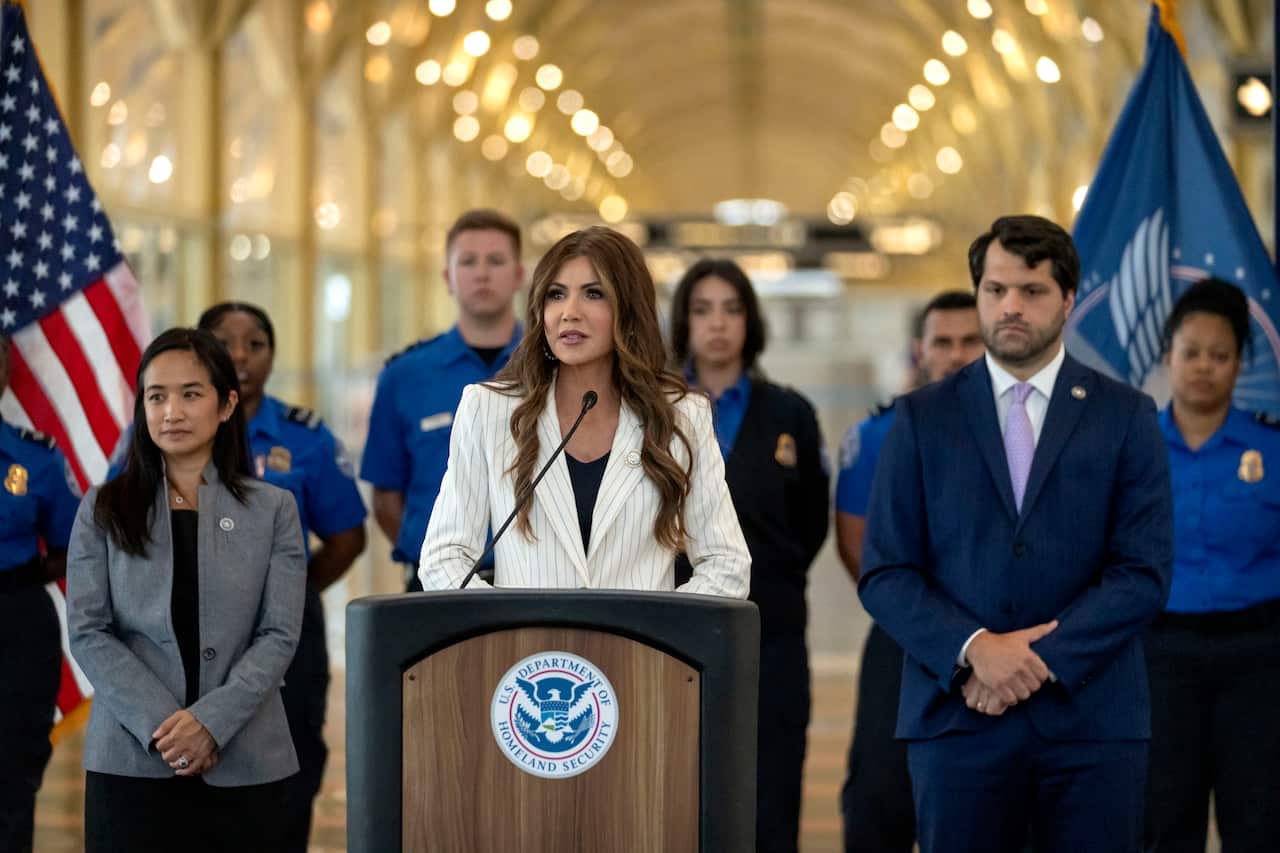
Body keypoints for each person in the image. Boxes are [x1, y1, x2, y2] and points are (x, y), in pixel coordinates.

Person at [858, 215, 1173, 853]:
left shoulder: (1127, 416)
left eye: (1030, 291)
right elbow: (887, 572)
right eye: (995, 290)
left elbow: (1142, 572)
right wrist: (975, 648)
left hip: (1092, 723)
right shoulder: (920, 420)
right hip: (958, 719)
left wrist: (1031, 662)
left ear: (1068, 299)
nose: (1010, 307)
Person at [66, 328, 306, 853]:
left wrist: (211, 723)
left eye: (190, 394)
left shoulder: (273, 510)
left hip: (246, 761)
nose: (171, 410)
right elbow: (88, 630)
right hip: (131, 761)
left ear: (226, 405)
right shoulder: (103, 507)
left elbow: (279, 634)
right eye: (157, 396)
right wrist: (168, 728)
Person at [419, 226, 750, 597]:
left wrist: (660, 635)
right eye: (556, 295)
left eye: (593, 294)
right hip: (525, 652)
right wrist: (509, 630)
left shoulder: (682, 415)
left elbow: (727, 563)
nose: (569, 313)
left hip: (641, 653)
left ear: (628, 308)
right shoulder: (487, 409)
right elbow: (443, 559)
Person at [669, 259, 829, 853]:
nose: (717, 325)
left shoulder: (790, 413)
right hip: (675, 624)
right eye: (702, 309)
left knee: (772, 789)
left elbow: (810, 522)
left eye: (731, 309)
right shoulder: (651, 408)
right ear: (683, 320)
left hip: (774, 631)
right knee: (677, 790)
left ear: (750, 321)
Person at [197, 302, 367, 853]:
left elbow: (346, 536)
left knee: (291, 762)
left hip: (288, 631)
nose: (241, 356)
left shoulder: (306, 437)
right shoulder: (164, 429)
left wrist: (289, 594)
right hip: (189, 628)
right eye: (225, 342)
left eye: (257, 344)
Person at [835, 290, 984, 852]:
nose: (955, 354)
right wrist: (922, 620)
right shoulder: (877, 436)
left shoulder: (1025, 436)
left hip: (995, 642)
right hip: (901, 643)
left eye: (970, 340)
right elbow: (855, 547)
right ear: (919, 350)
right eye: (942, 342)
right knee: (880, 798)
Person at [1144, 277, 1280, 853]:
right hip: (1160, 655)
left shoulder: (1271, 448)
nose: (1204, 367)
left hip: (1260, 658)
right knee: (1162, 816)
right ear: (1166, 356)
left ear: (1240, 364)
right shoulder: (1133, 446)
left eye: (1220, 356)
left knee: (1260, 817)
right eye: (1191, 353)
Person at [361, 209, 524, 590]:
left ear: (518, 275)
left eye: (496, 261)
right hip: (433, 586)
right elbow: (386, 495)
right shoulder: (404, 377)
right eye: (468, 262)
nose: (482, 273)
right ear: (448, 277)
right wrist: (431, 556)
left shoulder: (554, 369)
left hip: (532, 582)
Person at [0, 335, 80, 853]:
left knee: (11, 778)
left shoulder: (35, 457)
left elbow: (75, 545)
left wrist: (24, 572)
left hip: (15, 624)